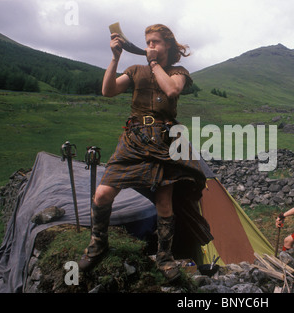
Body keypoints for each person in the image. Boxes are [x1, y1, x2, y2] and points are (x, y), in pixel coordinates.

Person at [78, 24, 212, 281]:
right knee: (103, 193)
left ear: (168, 45)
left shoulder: (177, 72)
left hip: (165, 141)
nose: (150, 46)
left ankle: (164, 257)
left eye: (155, 42)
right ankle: (98, 244)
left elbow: (171, 89)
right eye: (148, 42)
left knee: (164, 202)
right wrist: (115, 58)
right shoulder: (135, 70)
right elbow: (108, 91)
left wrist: (153, 65)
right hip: (134, 138)